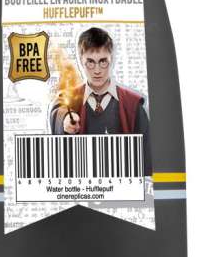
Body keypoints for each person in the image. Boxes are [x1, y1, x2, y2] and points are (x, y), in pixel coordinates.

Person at [49, 27, 152, 174]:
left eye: (103, 61)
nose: (97, 70)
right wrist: (65, 119)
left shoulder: (133, 105)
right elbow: (59, 108)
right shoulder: (71, 99)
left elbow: (147, 159)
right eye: (90, 62)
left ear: (111, 59)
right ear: (80, 61)